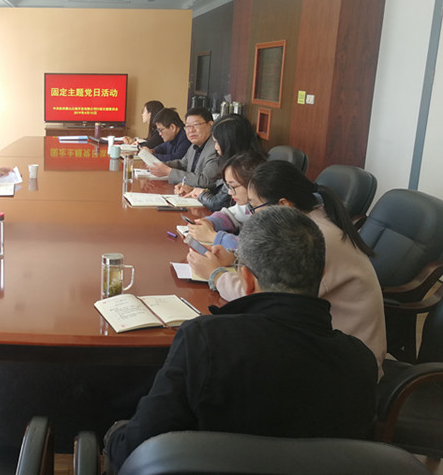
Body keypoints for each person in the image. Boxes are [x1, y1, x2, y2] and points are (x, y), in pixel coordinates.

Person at [104, 207, 377, 474]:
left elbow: (134, 450)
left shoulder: (206, 340)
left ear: (245, 280)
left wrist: (113, 435)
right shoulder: (360, 361)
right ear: (322, 273)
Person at [188, 160, 386, 374]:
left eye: (254, 207)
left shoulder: (313, 239)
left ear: (283, 205)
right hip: (320, 343)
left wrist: (216, 275)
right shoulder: (306, 227)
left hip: (346, 367)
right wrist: (235, 258)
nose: (251, 215)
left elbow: (265, 298)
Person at [177, 114, 264, 212]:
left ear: (230, 142)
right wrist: (194, 190)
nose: (215, 147)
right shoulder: (235, 160)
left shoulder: (245, 167)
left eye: (218, 142)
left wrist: (201, 194)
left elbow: (217, 203)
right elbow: (219, 190)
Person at [186, 150, 267, 250]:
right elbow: (230, 215)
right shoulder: (248, 205)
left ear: (253, 183)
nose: (229, 192)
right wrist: (209, 222)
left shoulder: (267, 210)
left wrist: (212, 236)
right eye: (227, 186)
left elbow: (254, 249)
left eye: (233, 186)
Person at [148, 108, 218, 188]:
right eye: (188, 126)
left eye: (196, 125)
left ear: (211, 125)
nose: (191, 130)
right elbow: (182, 164)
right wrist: (164, 165)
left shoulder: (216, 148)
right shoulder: (194, 146)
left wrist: (168, 171)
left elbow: (205, 181)